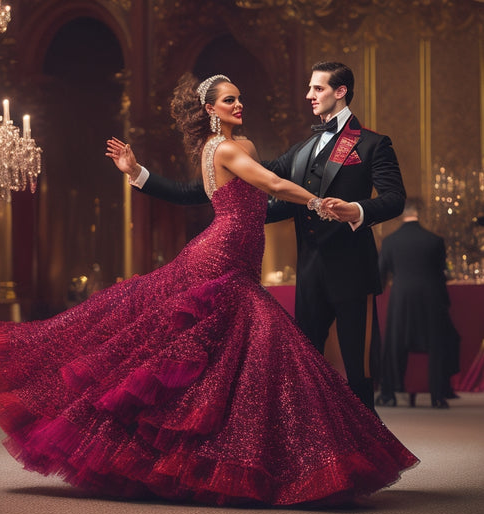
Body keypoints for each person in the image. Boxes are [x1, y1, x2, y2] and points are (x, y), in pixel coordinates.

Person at [0, 74, 417, 507]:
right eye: (229, 100)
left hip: (260, 255)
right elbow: (272, 186)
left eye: (239, 98)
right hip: (224, 255)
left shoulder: (246, 146)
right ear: (210, 110)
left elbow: (262, 197)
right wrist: (319, 202)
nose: (239, 104)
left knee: (219, 353)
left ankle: (295, 456)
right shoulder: (230, 147)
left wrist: (139, 172)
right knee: (248, 347)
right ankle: (287, 461)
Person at [118, 62, 406, 412]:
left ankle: (370, 454)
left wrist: (357, 211)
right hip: (310, 274)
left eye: (317, 89)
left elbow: (394, 200)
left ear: (340, 91)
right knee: (303, 374)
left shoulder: (374, 144)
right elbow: (218, 189)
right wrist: (140, 174)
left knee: (359, 375)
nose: (308, 95)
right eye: (309, 88)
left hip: (353, 273)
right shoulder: (301, 150)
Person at [375, 198, 460, 409]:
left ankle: (389, 393)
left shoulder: (390, 241)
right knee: (437, 344)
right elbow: (441, 274)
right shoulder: (435, 240)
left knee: (394, 345)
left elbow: (380, 276)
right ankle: (438, 396)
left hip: (401, 299)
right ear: (419, 213)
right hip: (431, 299)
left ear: (402, 214)